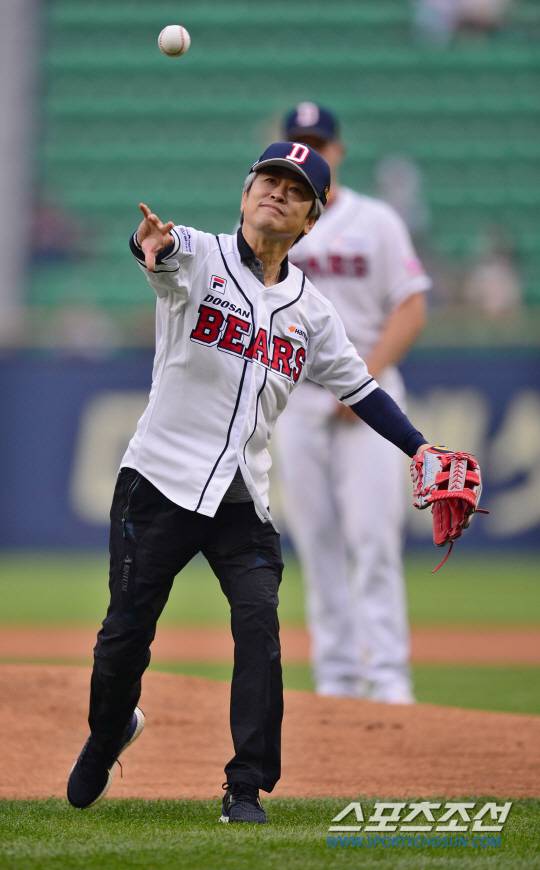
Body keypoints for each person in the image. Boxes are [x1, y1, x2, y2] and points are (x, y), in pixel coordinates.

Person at [67, 140, 434, 824]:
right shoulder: (197, 255)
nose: (277, 193)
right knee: (124, 635)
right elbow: (159, 251)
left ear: (310, 221)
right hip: (159, 481)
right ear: (244, 194)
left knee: (259, 625)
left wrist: (421, 449)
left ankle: (246, 785)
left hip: (241, 496)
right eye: (267, 180)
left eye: (295, 191)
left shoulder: (311, 311)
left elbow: (360, 387)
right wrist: (148, 243)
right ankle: (109, 729)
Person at [274, 104, 430, 703]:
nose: (309, 150)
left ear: (337, 151)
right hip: (298, 399)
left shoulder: (376, 221)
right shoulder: (273, 220)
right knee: (316, 541)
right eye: (297, 140)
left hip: (370, 398)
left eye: (318, 142)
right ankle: (337, 677)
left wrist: (364, 378)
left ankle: (387, 675)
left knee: (372, 537)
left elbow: (411, 306)